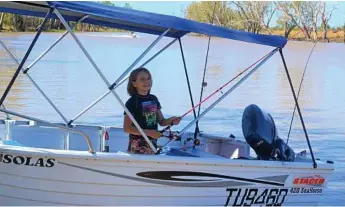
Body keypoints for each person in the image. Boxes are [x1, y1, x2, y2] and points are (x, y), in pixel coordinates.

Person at [123, 67, 181, 154]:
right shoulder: (132, 102)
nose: (147, 81)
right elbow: (127, 128)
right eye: (142, 79)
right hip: (137, 147)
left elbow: (161, 121)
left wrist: (171, 120)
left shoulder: (153, 99)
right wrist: (149, 133)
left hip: (152, 144)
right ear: (134, 83)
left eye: (149, 78)